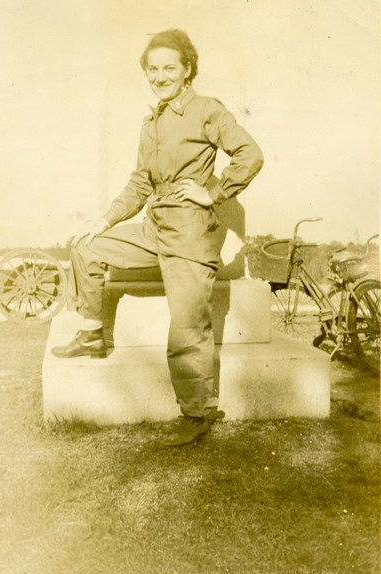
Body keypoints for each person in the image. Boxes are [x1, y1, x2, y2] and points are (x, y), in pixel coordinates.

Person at [52, 29, 264, 446]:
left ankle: (196, 414)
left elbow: (249, 154)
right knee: (87, 247)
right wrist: (106, 220)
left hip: (190, 233)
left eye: (170, 67)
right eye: (153, 69)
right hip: (154, 227)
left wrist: (214, 192)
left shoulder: (206, 109)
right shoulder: (152, 123)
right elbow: (138, 183)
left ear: (187, 70)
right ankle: (93, 333)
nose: (160, 76)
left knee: (186, 328)